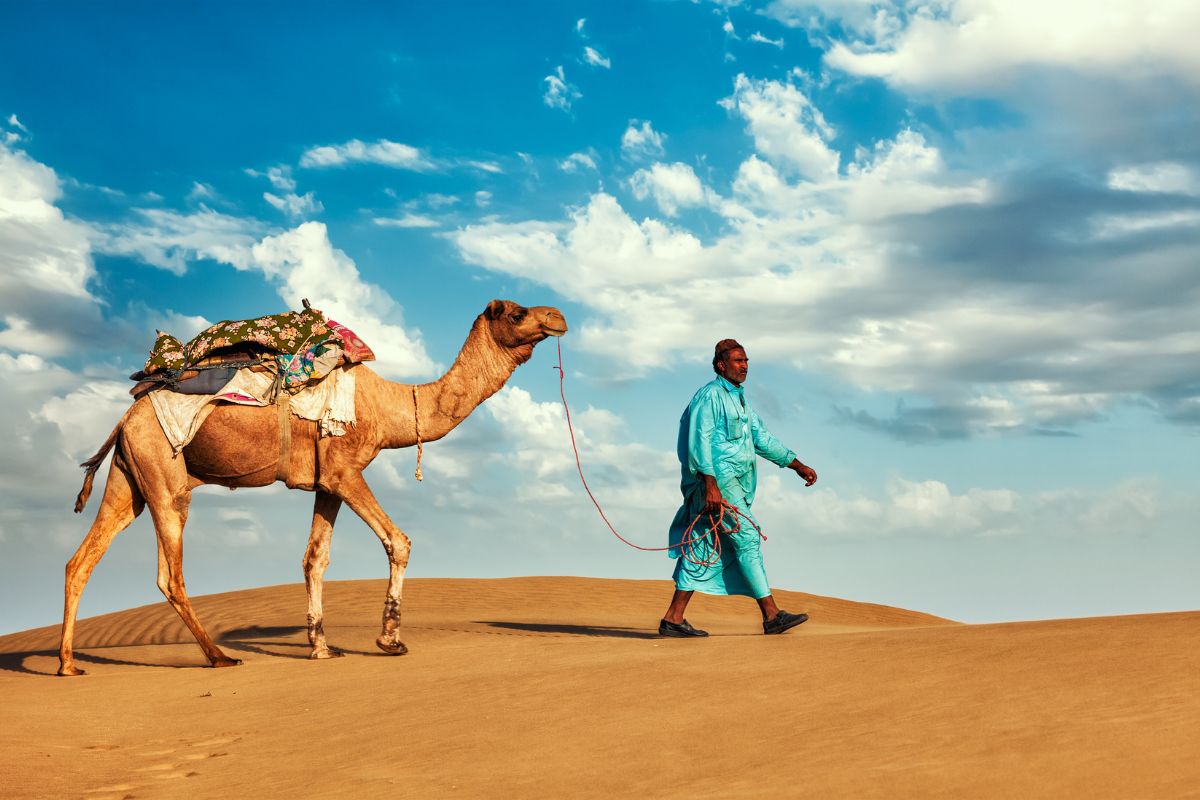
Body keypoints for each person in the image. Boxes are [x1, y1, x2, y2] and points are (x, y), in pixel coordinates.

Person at [659, 339, 818, 638]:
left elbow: (762, 439)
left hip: (732, 485)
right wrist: (710, 485)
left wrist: (797, 465)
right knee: (747, 537)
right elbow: (699, 441)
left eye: (746, 361)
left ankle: (673, 618)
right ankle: (772, 615)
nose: (744, 366)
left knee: (701, 547)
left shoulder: (740, 400)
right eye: (738, 361)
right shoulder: (709, 397)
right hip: (718, 484)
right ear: (721, 365)